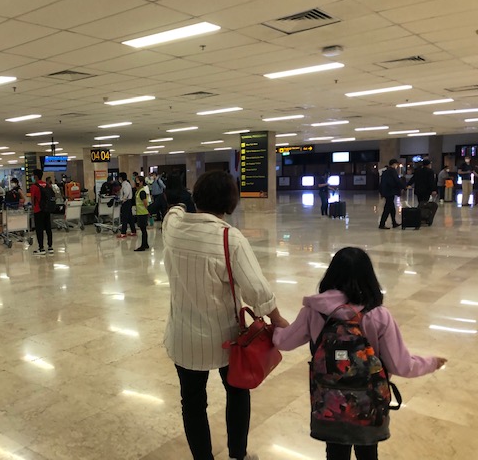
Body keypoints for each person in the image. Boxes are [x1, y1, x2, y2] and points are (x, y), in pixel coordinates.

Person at [273, 247, 447, 460]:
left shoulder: (313, 311)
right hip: (368, 404)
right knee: (368, 453)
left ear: (331, 274)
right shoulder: (378, 315)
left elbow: (283, 342)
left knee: (335, 453)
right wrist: (431, 363)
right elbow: (401, 365)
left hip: (330, 404)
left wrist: (275, 326)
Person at [163, 170, 288, 460]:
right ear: (231, 202)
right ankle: (238, 455)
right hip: (226, 339)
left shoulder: (173, 228)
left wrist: (182, 203)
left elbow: (173, 211)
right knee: (237, 392)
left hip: (183, 336)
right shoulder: (229, 239)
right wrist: (277, 318)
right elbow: (256, 290)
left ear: (197, 197)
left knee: (192, 402)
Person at [30, 169, 54, 256]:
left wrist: (33, 208)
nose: (32, 177)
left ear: (36, 176)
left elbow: (32, 199)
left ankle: (41, 248)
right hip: (47, 209)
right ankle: (50, 247)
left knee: (39, 229)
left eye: (33, 175)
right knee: (48, 228)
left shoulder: (34, 186)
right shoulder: (47, 185)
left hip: (38, 210)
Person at [378, 159, 403, 229]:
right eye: (396, 164)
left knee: (392, 208)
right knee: (387, 208)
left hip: (386, 192)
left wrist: (382, 192)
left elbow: (382, 183)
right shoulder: (392, 171)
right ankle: (382, 224)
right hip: (390, 192)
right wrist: (404, 187)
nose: (397, 166)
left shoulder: (385, 171)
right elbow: (397, 181)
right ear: (394, 164)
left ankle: (394, 222)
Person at [117, 172, 136, 238]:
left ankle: (123, 232)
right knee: (130, 217)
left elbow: (126, 193)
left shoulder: (124, 184)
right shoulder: (127, 183)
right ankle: (133, 231)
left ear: (121, 178)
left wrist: (123, 199)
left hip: (126, 202)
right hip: (129, 202)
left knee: (124, 217)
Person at [134, 176, 150, 251]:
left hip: (143, 213)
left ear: (141, 182)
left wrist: (148, 211)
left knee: (143, 230)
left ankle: (143, 246)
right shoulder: (138, 191)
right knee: (143, 229)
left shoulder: (142, 192)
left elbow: (145, 202)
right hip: (140, 212)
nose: (136, 183)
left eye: (137, 181)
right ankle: (145, 244)